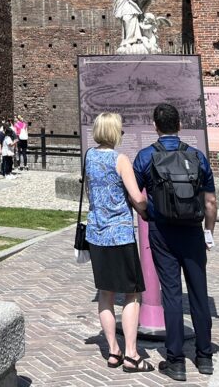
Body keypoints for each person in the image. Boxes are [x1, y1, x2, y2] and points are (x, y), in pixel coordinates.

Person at [133, 103, 217, 380]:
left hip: (162, 231)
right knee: (198, 291)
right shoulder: (197, 156)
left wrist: (145, 213)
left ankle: (176, 361)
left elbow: (134, 195)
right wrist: (208, 231)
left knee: (171, 293)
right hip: (193, 230)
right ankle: (204, 357)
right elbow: (211, 201)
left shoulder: (146, 156)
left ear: (155, 127)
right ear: (180, 125)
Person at [85, 111, 153, 373]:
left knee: (105, 293)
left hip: (96, 234)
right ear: (115, 133)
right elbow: (137, 197)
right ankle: (132, 355)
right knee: (132, 293)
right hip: (120, 234)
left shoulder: (89, 157)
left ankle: (113, 350)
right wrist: (148, 206)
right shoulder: (120, 159)